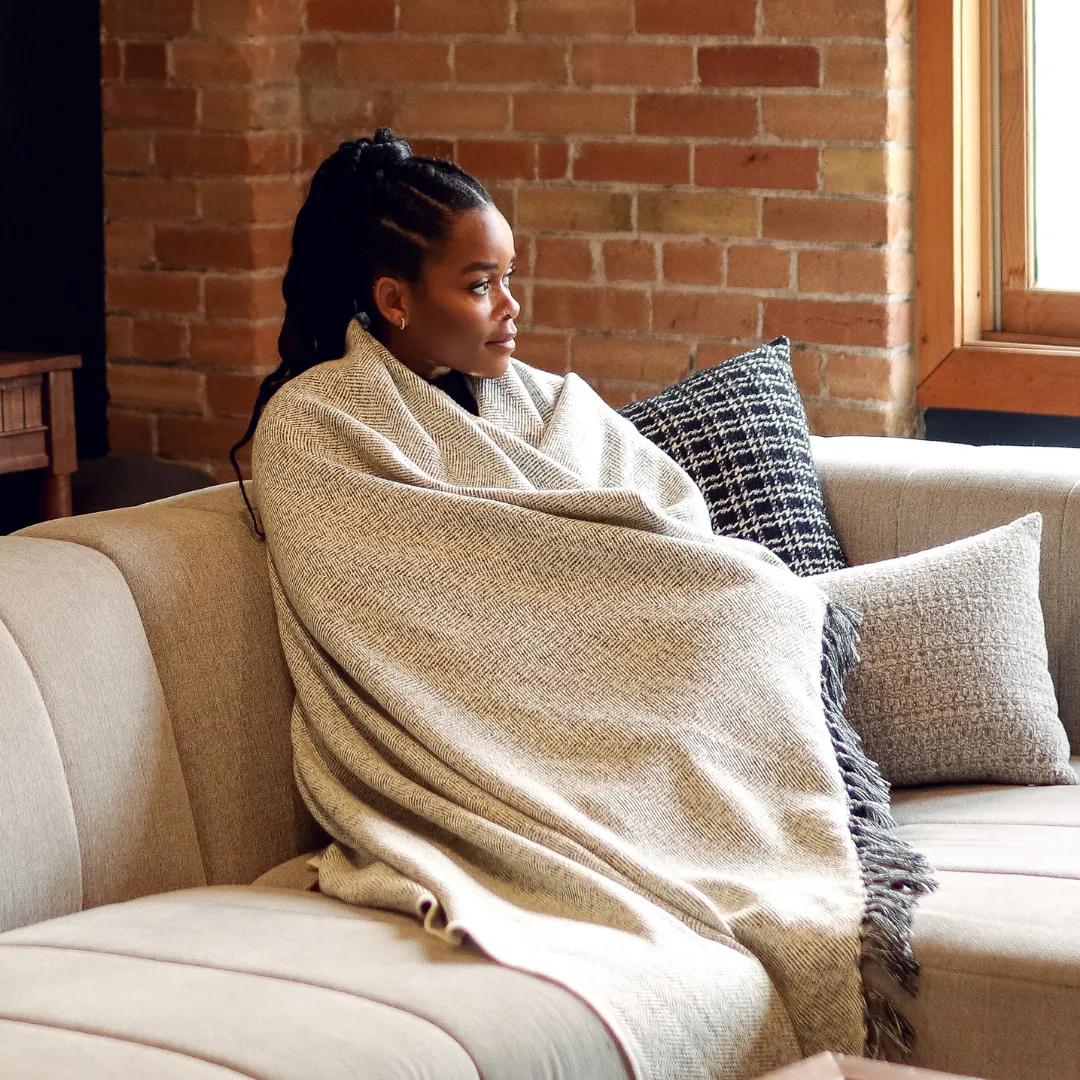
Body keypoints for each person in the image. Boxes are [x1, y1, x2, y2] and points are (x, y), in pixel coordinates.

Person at [230, 127, 521, 527]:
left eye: (508, 276)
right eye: (481, 285)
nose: (512, 305)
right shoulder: (309, 425)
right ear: (394, 301)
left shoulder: (547, 399)